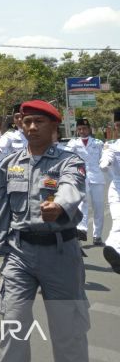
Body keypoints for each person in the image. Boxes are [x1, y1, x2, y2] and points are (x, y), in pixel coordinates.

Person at [0, 100, 89, 362]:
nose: (31, 127)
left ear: (54, 126)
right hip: (20, 254)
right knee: (13, 324)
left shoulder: (69, 161)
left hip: (60, 253)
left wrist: (59, 206)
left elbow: (71, 185)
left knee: (67, 331)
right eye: (27, 121)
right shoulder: (10, 164)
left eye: (39, 122)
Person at [65, 118, 105, 244]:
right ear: (77, 130)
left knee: (98, 207)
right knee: (83, 204)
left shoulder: (98, 143)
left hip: (97, 178)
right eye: (80, 129)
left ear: (89, 129)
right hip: (81, 177)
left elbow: (104, 159)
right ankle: (82, 230)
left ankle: (97, 235)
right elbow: (66, 158)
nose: (82, 131)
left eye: (85, 128)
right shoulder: (72, 143)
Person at [100, 108, 120, 273]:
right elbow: (105, 162)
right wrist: (104, 163)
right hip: (118, 191)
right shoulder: (112, 147)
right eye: (118, 125)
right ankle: (112, 248)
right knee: (118, 222)